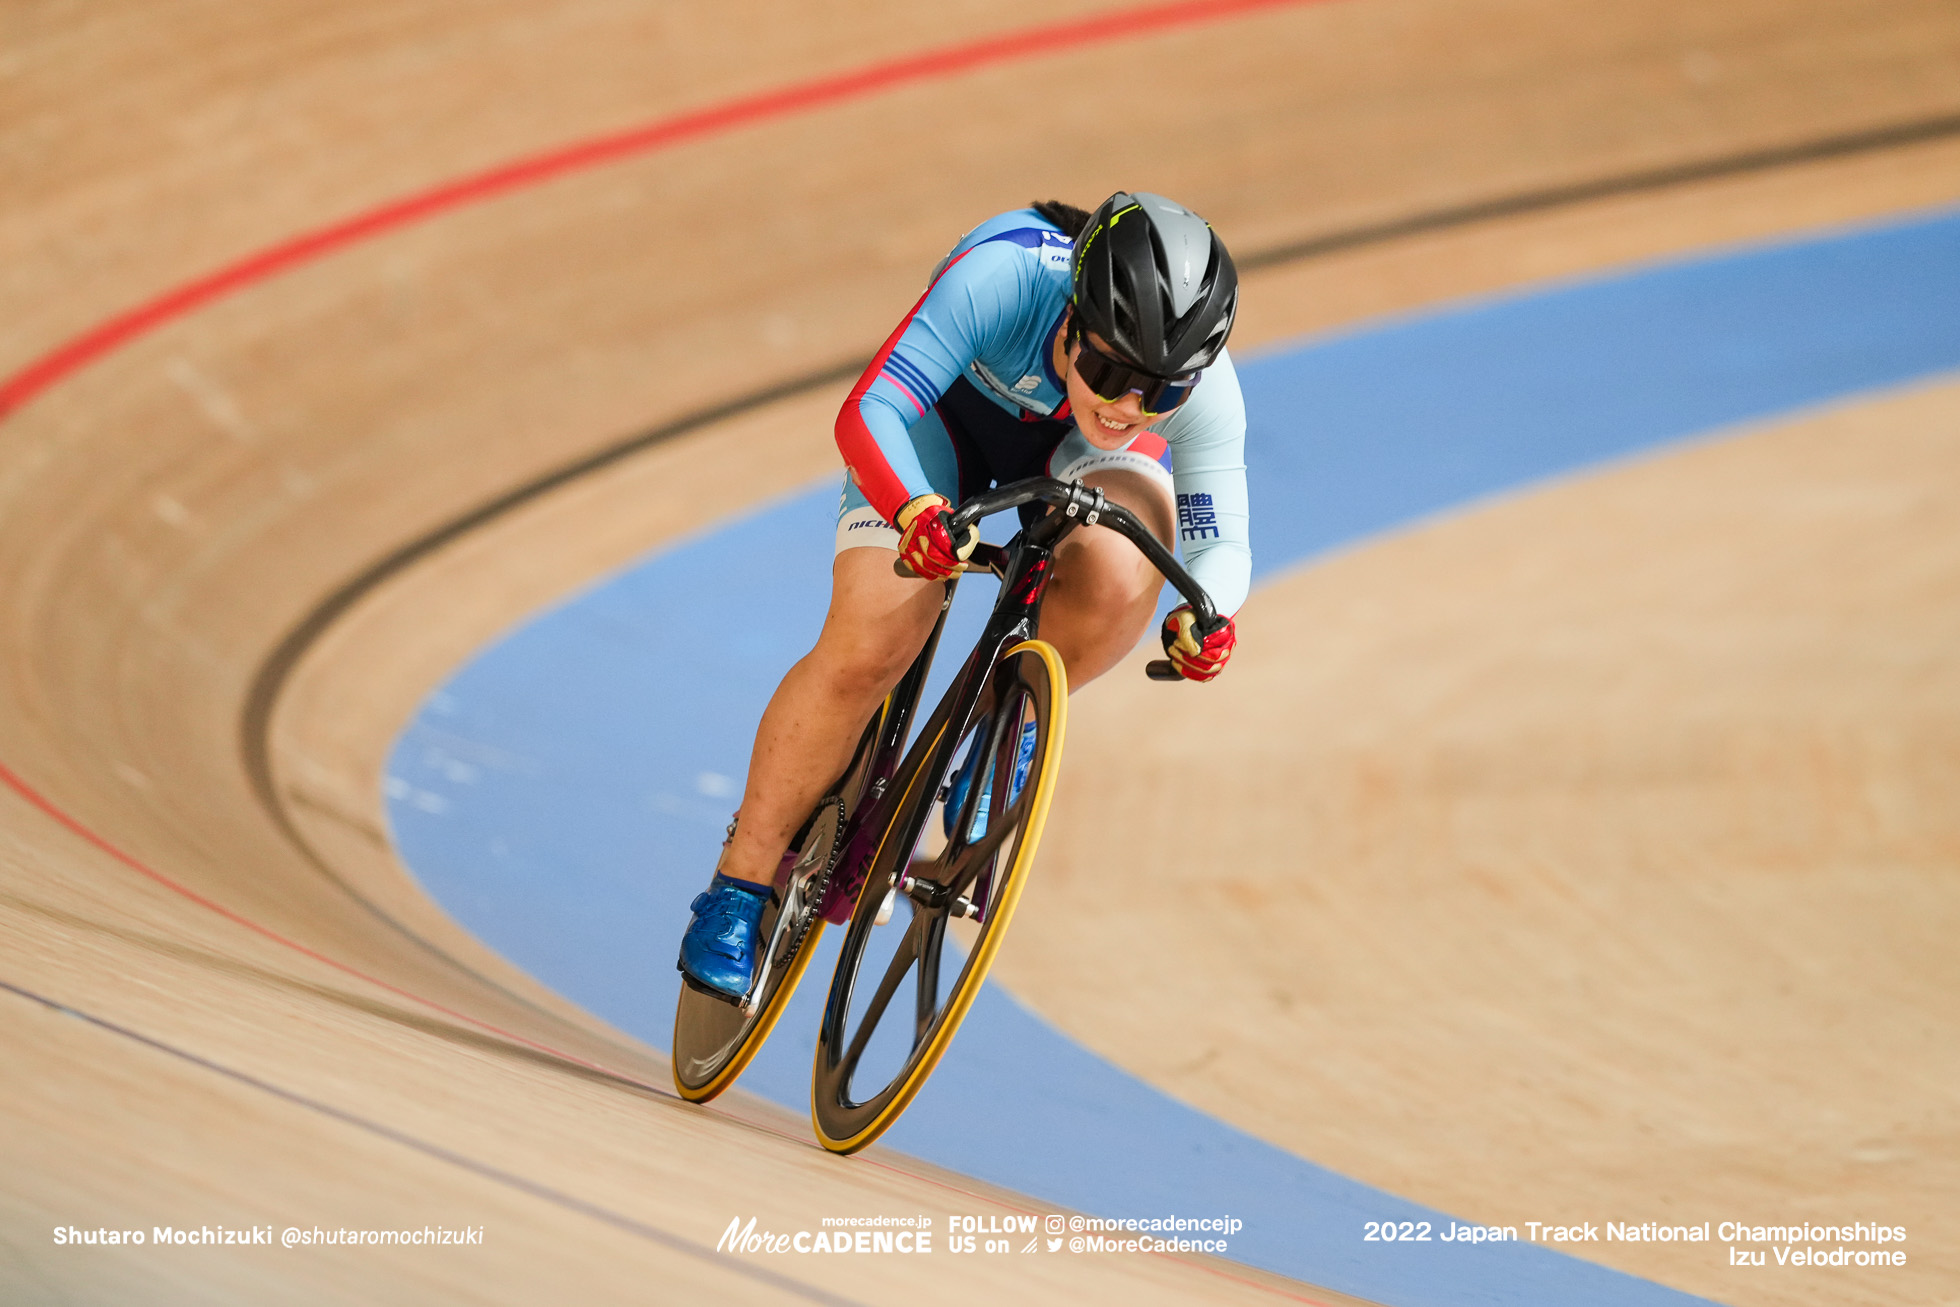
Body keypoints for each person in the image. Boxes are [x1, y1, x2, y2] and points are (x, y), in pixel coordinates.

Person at [678, 191, 1251, 999]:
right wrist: (912, 508)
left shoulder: (1203, 388)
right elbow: (869, 409)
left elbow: (1217, 541)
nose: (1129, 406)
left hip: (1072, 463)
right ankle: (739, 884)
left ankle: (1001, 724)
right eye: (1111, 371)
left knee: (1128, 563)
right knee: (870, 645)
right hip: (935, 429)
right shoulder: (1003, 278)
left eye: (1160, 393)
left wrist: (1211, 614)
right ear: (1072, 321)